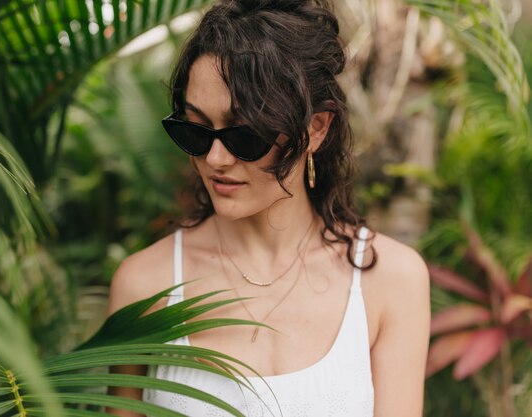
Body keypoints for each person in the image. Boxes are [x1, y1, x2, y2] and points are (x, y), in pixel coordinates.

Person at [107, 0, 430, 416]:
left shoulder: (390, 281)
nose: (216, 159)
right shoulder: (144, 285)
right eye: (196, 130)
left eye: (245, 137)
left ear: (316, 128)